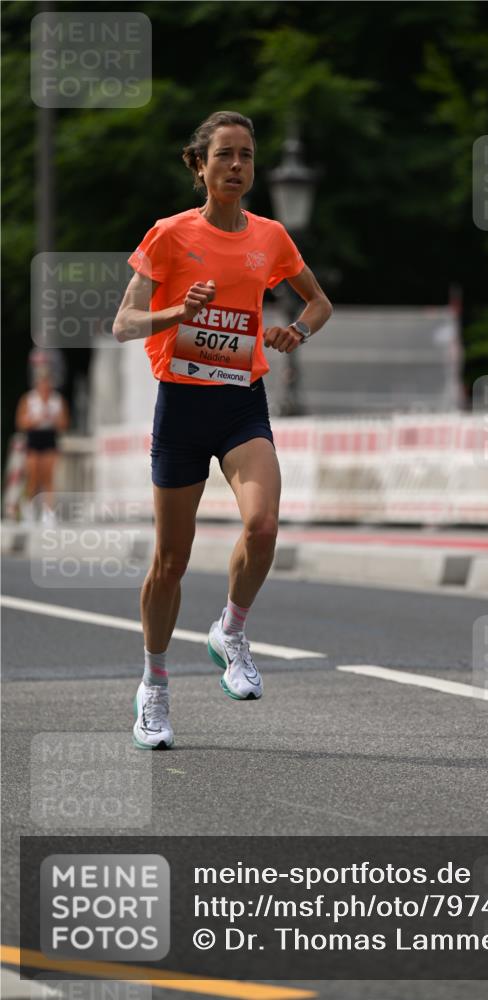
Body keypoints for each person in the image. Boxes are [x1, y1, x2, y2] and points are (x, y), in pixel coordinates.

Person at [112, 110, 333, 750]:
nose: (237, 166)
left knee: (263, 526)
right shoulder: (170, 236)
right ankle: (153, 685)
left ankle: (230, 631)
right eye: (225, 156)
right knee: (170, 562)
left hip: (241, 402)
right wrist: (181, 309)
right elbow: (124, 323)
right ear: (200, 166)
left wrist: (299, 330)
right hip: (181, 406)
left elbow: (318, 301)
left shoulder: (271, 237)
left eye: (247, 156)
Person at [14, 367, 69, 522]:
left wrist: (54, 420)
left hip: (49, 437)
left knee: (48, 477)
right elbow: (20, 423)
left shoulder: (57, 400)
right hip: (34, 437)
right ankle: (29, 511)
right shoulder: (29, 399)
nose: (45, 387)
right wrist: (35, 420)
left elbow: (64, 423)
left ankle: (48, 513)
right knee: (33, 476)